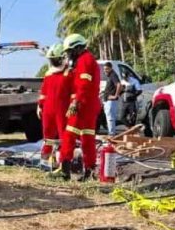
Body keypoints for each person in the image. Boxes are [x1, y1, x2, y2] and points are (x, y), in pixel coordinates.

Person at [59, 33, 101, 181]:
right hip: (89, 105)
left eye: (70, 52)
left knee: (69, 135)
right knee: (88, 138)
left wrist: (75, 103)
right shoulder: (86, 60)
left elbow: (83, 85)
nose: (68, 55)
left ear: (77, 48)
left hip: (82, 105)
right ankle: (89, 171)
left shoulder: (85, 60)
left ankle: (64, 171)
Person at [37, 43, 71, 169]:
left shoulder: (69, 72)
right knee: (47, 135)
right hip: (48, 109)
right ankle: (45, 162)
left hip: (63, 109)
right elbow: (43, 92)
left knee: (64, 135)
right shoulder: (48, 73)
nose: (53, 62)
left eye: (55, 59)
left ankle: (63, 163)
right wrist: (40, 106)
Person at [101, 62, 122, 136]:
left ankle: (111, 134)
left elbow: (119, 85)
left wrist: (116, 95)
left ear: (111, 68)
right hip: (108, 100)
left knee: (110, 118)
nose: (105, 70)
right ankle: (111, 133)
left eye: (107, 69)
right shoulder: (110, 75)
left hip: (111, 101)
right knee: (109, 118)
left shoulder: (113, 75)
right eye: (104, 69)